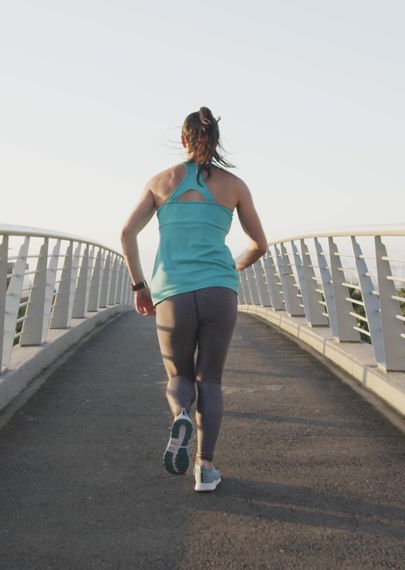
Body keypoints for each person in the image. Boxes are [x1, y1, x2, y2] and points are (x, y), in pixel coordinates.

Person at [120, 107, 268, 492]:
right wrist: (232, 267)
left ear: (184, 139)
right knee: (212, 380)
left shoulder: (160, 182)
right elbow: (259, 245)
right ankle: (206, 468)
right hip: (219, 290)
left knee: (179, 376)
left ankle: (181, 414)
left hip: (173, 293)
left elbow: (126, 233)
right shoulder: (234, 186)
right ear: (216, 140)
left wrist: (140, 286)